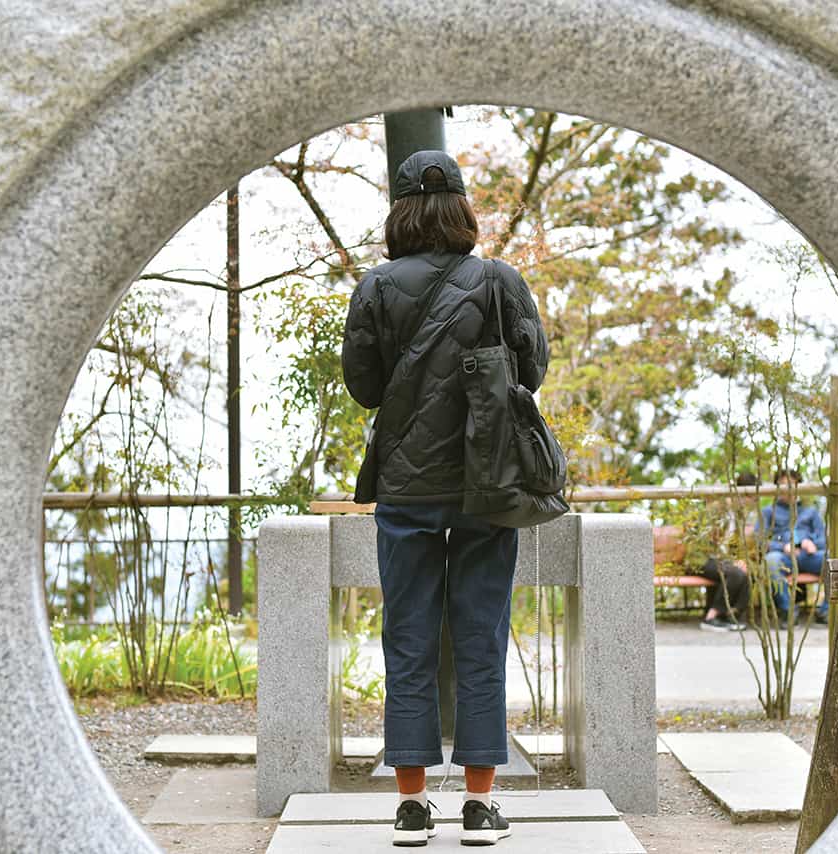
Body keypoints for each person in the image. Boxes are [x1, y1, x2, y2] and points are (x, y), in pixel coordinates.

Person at [340, 149, 549, 847]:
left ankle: (411, 803)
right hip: (487, 481)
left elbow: (366, 387)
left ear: (399, 211)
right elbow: (534, 370)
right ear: (462, 206)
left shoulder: (374, 287)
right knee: (481, 634)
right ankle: (482, 805)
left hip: (405, 486)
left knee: (409, 637)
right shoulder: (499, 281)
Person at [758, 467, 829, 624]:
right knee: (771, 561)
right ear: (777, 487)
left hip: (808, 556)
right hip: (783, 557)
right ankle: (788, 612)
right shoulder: (768, 512)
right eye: (784, 485)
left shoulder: (810, 511)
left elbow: (824, 539)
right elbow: (759, 541)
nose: (789, 490)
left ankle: (825, 612)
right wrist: (782, 546)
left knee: (833, 560)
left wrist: (812, 543)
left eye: (793, 484)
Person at [690, 471, 757, 631]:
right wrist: (731, 561)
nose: (754, 502)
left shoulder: (739, 514)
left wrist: (739, 559)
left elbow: (734, 544)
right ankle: (711, 617)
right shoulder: (716, 510)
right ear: (742, 493)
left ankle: (730, 615)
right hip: (700, 559)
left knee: (747, 571)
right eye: (752, 497)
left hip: (721, 561)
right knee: (735, 573)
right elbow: (705, 544)